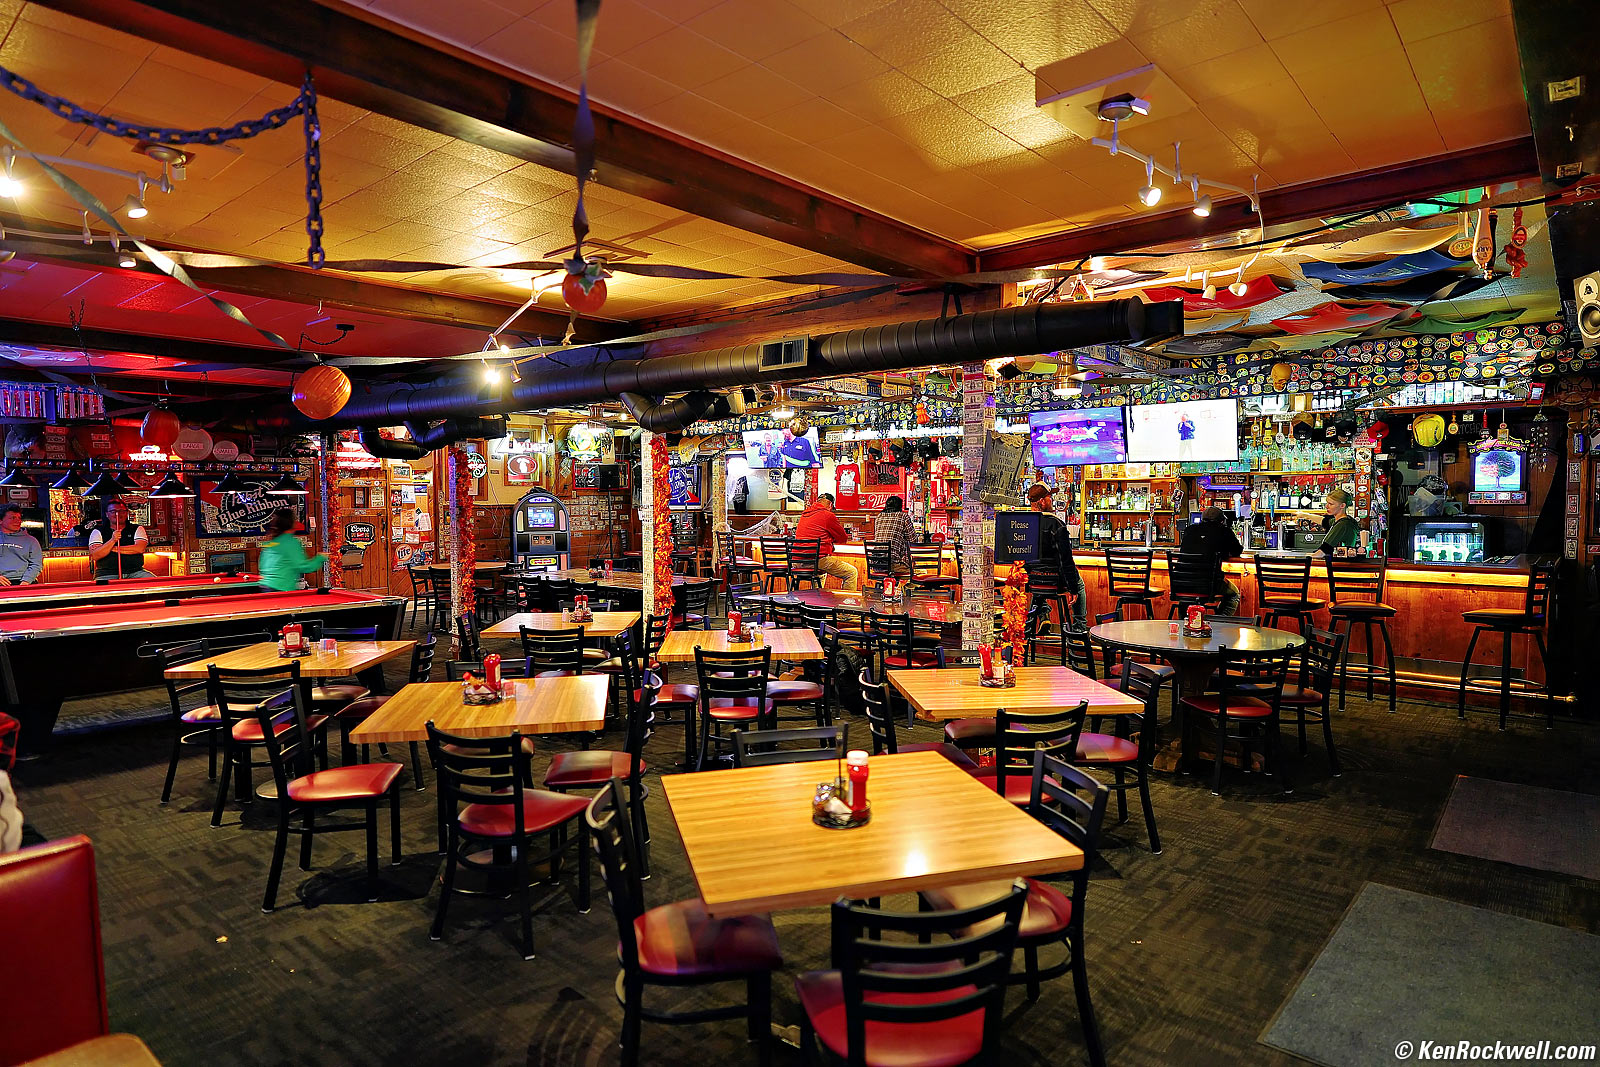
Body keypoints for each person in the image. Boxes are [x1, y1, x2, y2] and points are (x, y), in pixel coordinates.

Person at [1028, 483, 1087, 631]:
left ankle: (1042, 614)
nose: (1052, 501)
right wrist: (1072, 588)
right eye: (1049, 497)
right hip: (1055, 580)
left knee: (1039, 588)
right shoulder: (1056, 524)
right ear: (1042, 501)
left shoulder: (1024, 524)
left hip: (1032, 581)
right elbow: (1065, 560)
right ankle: (1079, 627)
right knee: (1079, 585)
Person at [1179, 506, 1244, 614]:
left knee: (1185, 599)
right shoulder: (1224, 532)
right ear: (1222, 521)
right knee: (1234, 594)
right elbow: (1237, 551)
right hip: (1209, 584)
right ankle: (1220, 622)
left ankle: (1183, 623)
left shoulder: (1189, 530)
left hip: (1182, 584)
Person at [795, 492, 858, 592]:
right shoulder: (828, 515)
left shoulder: (804, 514)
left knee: (821, 573)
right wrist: (831, 539)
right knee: (851, 572)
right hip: (816, 561)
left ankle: (816, 601)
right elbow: (843, 538)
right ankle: (847, 604)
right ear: (830, 505)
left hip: (797, 562)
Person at [258, 507, 328, 592]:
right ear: (292, 523)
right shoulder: (291, 542)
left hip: (265, 587)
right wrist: (320, 558)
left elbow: (262, 567)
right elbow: (304, 566)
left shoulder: (270, 542)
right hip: (280, 589)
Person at [87, 500, 154, 580]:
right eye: (113, 511)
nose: (117, 514)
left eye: (121, 511)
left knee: (156, 584)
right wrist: (113, 540)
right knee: (100, 590)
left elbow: (139, 548)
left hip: (136, 572)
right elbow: (95, 555)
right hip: (105, 574)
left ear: (127, 513)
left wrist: (110, 549)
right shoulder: (97, 532)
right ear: (107, 514)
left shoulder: (137, 529)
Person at [0, 504, 42, 586]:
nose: (18, 521)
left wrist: (26, 581)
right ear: (1, 520)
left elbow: (36, 564)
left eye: (19, 518)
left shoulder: (31, 540)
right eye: (13, 518)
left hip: (23, 582)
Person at [872, 495, 913, 574]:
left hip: (876, 565)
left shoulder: (879, 516)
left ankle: (892, 585)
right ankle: (906, 587)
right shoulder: (903, 516)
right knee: (921, 571)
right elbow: (913, 540)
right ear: (900, 506)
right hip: (893, 565)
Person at [1320, 488, 1362, 557]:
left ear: (1342, 505)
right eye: (1327, 503)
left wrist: (1306, 558)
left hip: (1340, 564)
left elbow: (1324, 550)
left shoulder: (1343, 524)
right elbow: (1324, 521)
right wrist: (1304, 515)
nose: (1326, 506)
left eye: (1330, 504)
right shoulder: (1344, 520)